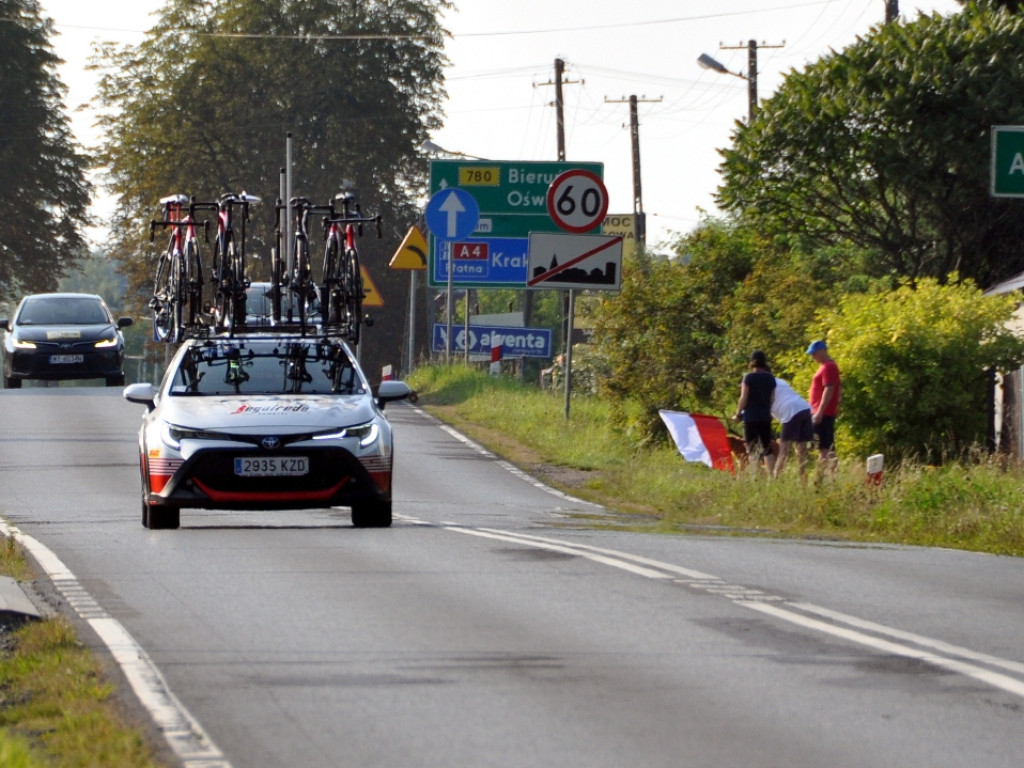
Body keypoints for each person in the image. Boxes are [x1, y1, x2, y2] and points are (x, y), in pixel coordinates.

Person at [733, 350, 776, 472]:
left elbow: (743, 398)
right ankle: (771, 477)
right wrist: (768, 412)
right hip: (765, 417)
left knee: (752, 449)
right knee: (767, 448)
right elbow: (772, 399)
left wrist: (737, 414)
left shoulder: (748, 377)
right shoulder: (770, 378)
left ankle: (756, 476)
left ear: (752, 362)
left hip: (750, 417)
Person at [806, 339, 841, 471]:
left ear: (822, 351)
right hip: (824, 412)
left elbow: (829, 388)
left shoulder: (828, 366)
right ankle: (825, 477)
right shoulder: (827, 366)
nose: (813, 357)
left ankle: (823, 478)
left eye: (814, 353)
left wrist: (820, 411)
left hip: (823, 413)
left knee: (825, 448)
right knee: (824, 447)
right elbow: (839, 390)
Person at [771, 377, 814, 480]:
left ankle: (775, 480)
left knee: (784, 449)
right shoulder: (780, 381)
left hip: (790, 411)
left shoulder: (761, 385)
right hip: (805, 408)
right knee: (801, 449)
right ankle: (803, 480)